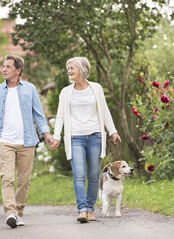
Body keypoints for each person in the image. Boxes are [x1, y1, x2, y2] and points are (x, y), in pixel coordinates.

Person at [50, 56, 121, 223]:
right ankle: (82, 209)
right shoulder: (66, 92)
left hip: (95, 136)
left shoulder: (96, 88)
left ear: (82, 70)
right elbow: (60, 116)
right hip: (75, 138)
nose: (69, 71)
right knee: (79, 174)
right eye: (68, 68)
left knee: (94, 175)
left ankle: (90, 209)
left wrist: (113, 131)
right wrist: (56, 136)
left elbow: (104, 111)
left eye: (72, 68)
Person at [0, 54, 53, 228]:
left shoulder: (30, 89)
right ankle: (11, 212)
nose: (4, 69)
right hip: (4, 141)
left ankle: (19, 213)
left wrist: (46, 135)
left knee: (24, 181)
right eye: (3, 66)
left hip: (27, 141)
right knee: (7, 178)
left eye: (8, 67)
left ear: (18, 70)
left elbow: (38, 114)